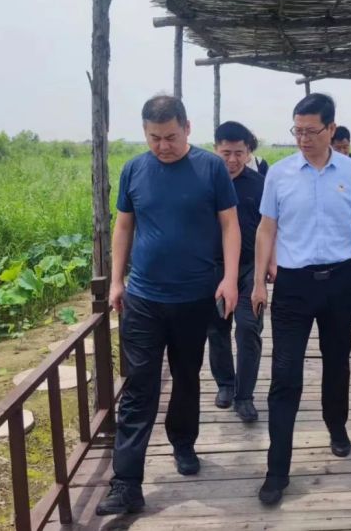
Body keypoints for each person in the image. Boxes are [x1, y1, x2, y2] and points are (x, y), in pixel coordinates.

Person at [96, 96, 240, 516]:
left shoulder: (211, 168)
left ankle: (183, 442)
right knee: (139, 386)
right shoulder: (134, 169)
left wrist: (230, 278)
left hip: (195, 297)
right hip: (143, 298)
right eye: (154, 137)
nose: (163, 146)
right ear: (145, 133)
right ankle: (126, 482)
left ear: (188, 128)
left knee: (186, 377)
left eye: (171, 137)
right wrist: (116, 280)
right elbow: (124, 225)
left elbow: (230, 224)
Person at [251, 93, 351, 506]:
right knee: (285, 374)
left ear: (331, 129)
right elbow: (266, 228)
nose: (303, 139)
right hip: (292, 285)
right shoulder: (279, 173)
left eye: (311, 131)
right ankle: (277, 469)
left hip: (340, 282)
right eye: (297, 131)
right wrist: (258, 282)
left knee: (337, 362)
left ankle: (337, 425)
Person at [208, 121, 266, 423]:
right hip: (213, 267)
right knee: (217, 328)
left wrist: (270, 264)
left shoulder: (260, 184)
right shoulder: (205, 181)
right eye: (226, 153)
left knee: (248, 328)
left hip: (250, 268)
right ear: (215, 149)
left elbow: (272, 228)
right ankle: (225, 385)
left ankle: (245, 395)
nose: (232, 160)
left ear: (248, 152)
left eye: (239, 153)